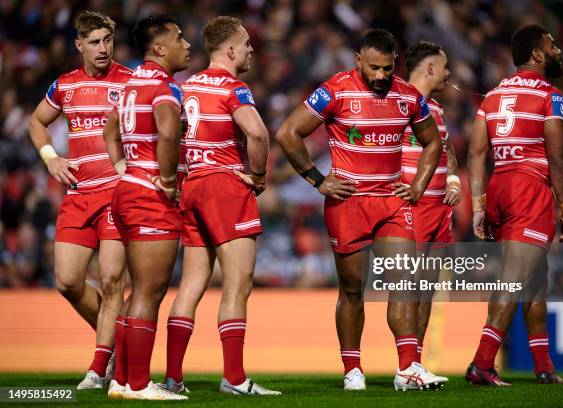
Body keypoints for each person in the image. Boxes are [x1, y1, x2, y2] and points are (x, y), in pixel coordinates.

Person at [276, 29, 447, 391]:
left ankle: (407, 368)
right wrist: (317, 181)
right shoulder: (335, 90)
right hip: (348, 203)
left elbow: (433, 142)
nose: (382, 76)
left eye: (387, 68)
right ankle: (352, 369)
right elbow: (288, 132)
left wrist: (417, 185)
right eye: (374, 68)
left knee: (404, 281)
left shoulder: (408, 96)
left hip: (392, 202)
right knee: (353, 290)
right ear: (358, 60)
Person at [161, 16, 280, 396]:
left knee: (191, 285)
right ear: (229, 50)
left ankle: (173, 378)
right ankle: (234, 378)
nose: (250, 50)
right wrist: (259, 177)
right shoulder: (234, 87)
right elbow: (258, 133)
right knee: (237, 285)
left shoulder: (186, 86)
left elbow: (172, 136)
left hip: (192, 184)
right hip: (224, 185)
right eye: (246, 44)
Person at [466, 24, 563, 386]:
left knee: (535, 280)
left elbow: (477, 153)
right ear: (538, 54)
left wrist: (480, 205)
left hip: (500, 187)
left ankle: (543, 365)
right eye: (552, 44)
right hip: (530, 189)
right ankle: (482, 363)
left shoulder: (493, 95)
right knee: (514, 280)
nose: (558, 49)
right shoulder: (550, 96)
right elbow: (558, 157)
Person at [28, 11, 131, 390]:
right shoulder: (64, 86)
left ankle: (98, 365)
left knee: (111, 279)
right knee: (68, 281)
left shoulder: (130, 81)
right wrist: (50, 157)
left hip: (116, 195)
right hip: (78, 194)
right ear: (79, 45)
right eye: (94, 42)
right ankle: (119, 342)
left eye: (107, 40)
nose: (102, 49)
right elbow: (36, 122)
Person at [102, 14, 190, 400]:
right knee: (148, 294)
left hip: (128, 189)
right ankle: (139, 384)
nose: (186, 44)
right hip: (150, 196)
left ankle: (122, 381)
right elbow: (169, 130)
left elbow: (109, 130)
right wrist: (168, 181)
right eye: (179, 37)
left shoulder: (131, 83)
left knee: (135, 292)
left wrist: (125, 168)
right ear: (159, 47)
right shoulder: (163, 85)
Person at [398, 41, 461, 363]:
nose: (449, 73)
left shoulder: (435, 109)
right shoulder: (395, 102)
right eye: (445, 66)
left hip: (440, 211)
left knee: (427, 288)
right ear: (431, 68)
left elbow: (446, 148)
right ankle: (406, 363)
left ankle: (416, 362)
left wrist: (453, 179)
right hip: (412, 208)